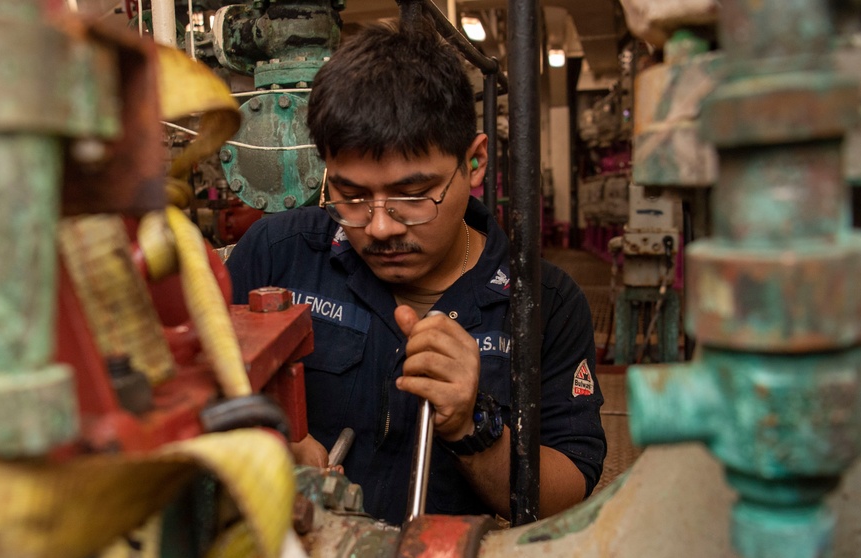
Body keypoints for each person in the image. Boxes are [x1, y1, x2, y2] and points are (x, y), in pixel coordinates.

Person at [226, 21, 606, 526]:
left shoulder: (545, 305)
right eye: (352, 196)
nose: (380, 227)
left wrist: (473, 428)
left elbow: (568, 496)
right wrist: (271, 442)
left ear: (474, 164)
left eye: (412, 195)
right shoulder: (277, 256)